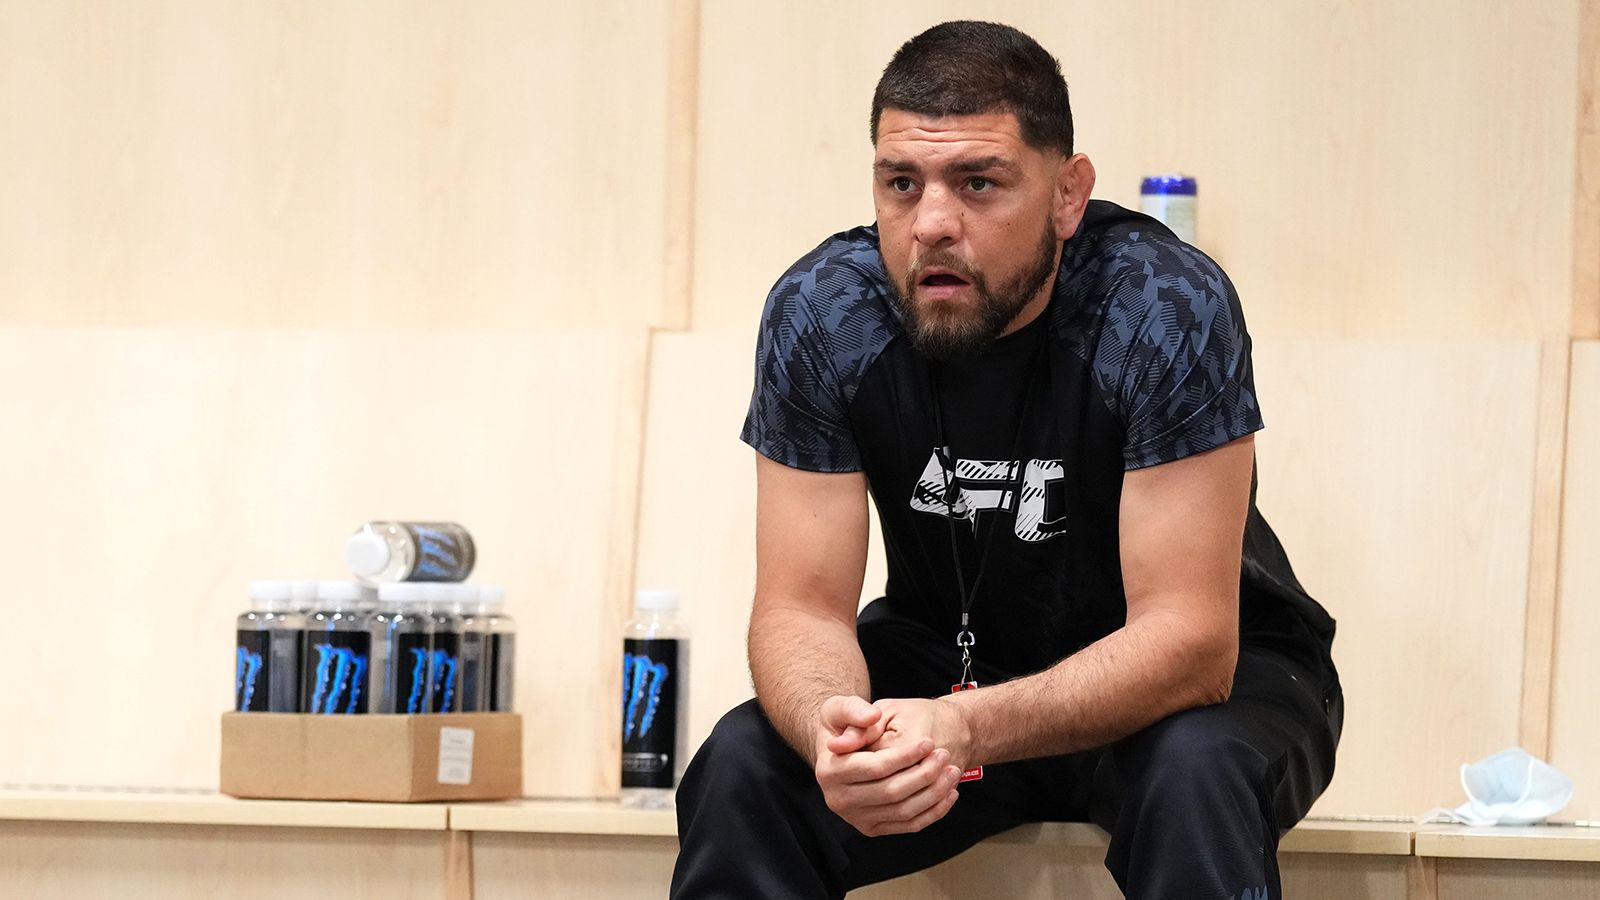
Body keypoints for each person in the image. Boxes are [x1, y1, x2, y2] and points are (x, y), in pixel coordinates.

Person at [670, 20, 1342, 900]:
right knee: (744, 763)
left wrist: (969, 726)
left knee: (1196, 773)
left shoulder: (1161, 304)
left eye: (978, 183)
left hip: (1195, 684)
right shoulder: (826, 313)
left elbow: (1191, 643)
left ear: (1068, 195)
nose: (931, 224)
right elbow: (799, 609)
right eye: (901, 184)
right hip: (945, 665)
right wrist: (832, 732)